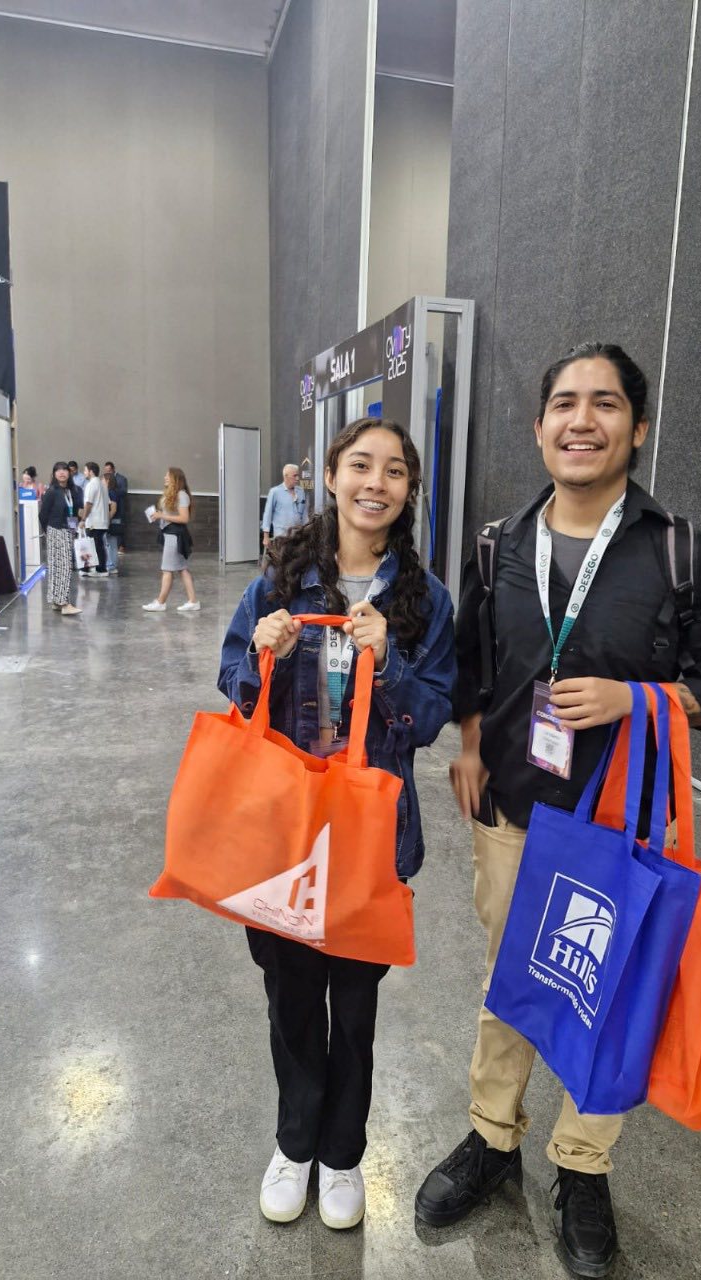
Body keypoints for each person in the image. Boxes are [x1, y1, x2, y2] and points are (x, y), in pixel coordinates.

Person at [414, 343, 701, 1277]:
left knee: (606, 994)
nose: (582, 420)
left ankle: (583, 1164)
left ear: (637, 429)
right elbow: (473, 667)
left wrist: (637, 699)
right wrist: (471, 746)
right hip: (515, 808)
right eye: (564, 403)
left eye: (605, 404)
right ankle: (492, 1136)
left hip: (623, 824)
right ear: (539, 428)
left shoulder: (681, 552)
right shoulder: (498, 543)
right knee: (510, 981)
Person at [218, 417, 455, 1231]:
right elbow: (232, 679)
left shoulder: (424, 600)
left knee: (354, 1007)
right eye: (360, 465)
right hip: (284, 833)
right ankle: (294, 1144)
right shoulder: (282, 578)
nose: (374, 483)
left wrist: (388, 663)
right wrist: (264, 653)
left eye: (394, 471)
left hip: (369, 838)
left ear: (408, 490)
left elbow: (431, 717)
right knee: (290, 999)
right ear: (329, 475)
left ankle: (343, 1155)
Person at [143, 467, 199, 611]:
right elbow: (171, 513)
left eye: (168, 475)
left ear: (175, 478)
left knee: (167, 569)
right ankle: (193, 601)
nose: (165, 477)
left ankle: (160, 602)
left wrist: (162, 515)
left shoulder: (182, 495)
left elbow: (184, 518)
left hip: (175, 536)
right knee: (182, 569)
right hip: (170, 534)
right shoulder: (173, 494)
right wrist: (159, 514)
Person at [38, 461, 83, 615]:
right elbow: (43, 515)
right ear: (54, 474)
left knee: (61, 567)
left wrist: (75, 528)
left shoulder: (73, 491)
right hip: (55, 530)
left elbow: (75, 511)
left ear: (70, 473)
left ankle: (57, 601)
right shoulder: (51, 492)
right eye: (58, 470)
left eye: (65, 470)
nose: (62, 472)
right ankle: (64, 603)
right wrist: (49, 530)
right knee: (61, 567)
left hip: (68, 530)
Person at [261, 463, 307, 548]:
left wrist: (307, 533)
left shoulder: (300, 492)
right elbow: (268, 514)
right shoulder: (275, 492)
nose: (297, 478)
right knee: (282, 556)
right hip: (281, 536)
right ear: (286, 476)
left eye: (298, 475)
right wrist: (266, 536)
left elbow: (304, 515)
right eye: (294, 476)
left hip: (297, 536)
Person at [79, 462, 111, 578]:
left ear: (91, 471)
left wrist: (83, 519)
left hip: (94, 521)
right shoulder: (102, 484)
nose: (84, 473)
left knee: (95, 546)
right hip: (102, 520)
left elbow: (88, 503)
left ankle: (100, 569)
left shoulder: (92, 484)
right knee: (98, 545)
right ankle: (93, 568)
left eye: (85, 470)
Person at [103, 460, 128, 554]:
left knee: (118, 528)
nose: (107, 472)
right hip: (109, 508)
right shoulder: (105, 480)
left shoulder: (122, 479)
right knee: (111, 532)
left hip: (119, 507)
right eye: (106, 470)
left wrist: (112, 490)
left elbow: (124, 492)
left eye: (109, 470)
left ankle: (121, 546)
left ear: (113, 469)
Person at [103, 464, 123, 576]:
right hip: (114, 521)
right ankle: (111, 565)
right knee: (111, 544)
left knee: (111, 545)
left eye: (102, 480)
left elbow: (113, 509)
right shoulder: (113, 492)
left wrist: (107, 520)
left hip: (112, 521)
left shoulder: (111, 492)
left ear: (108, 481)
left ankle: (111, 565)